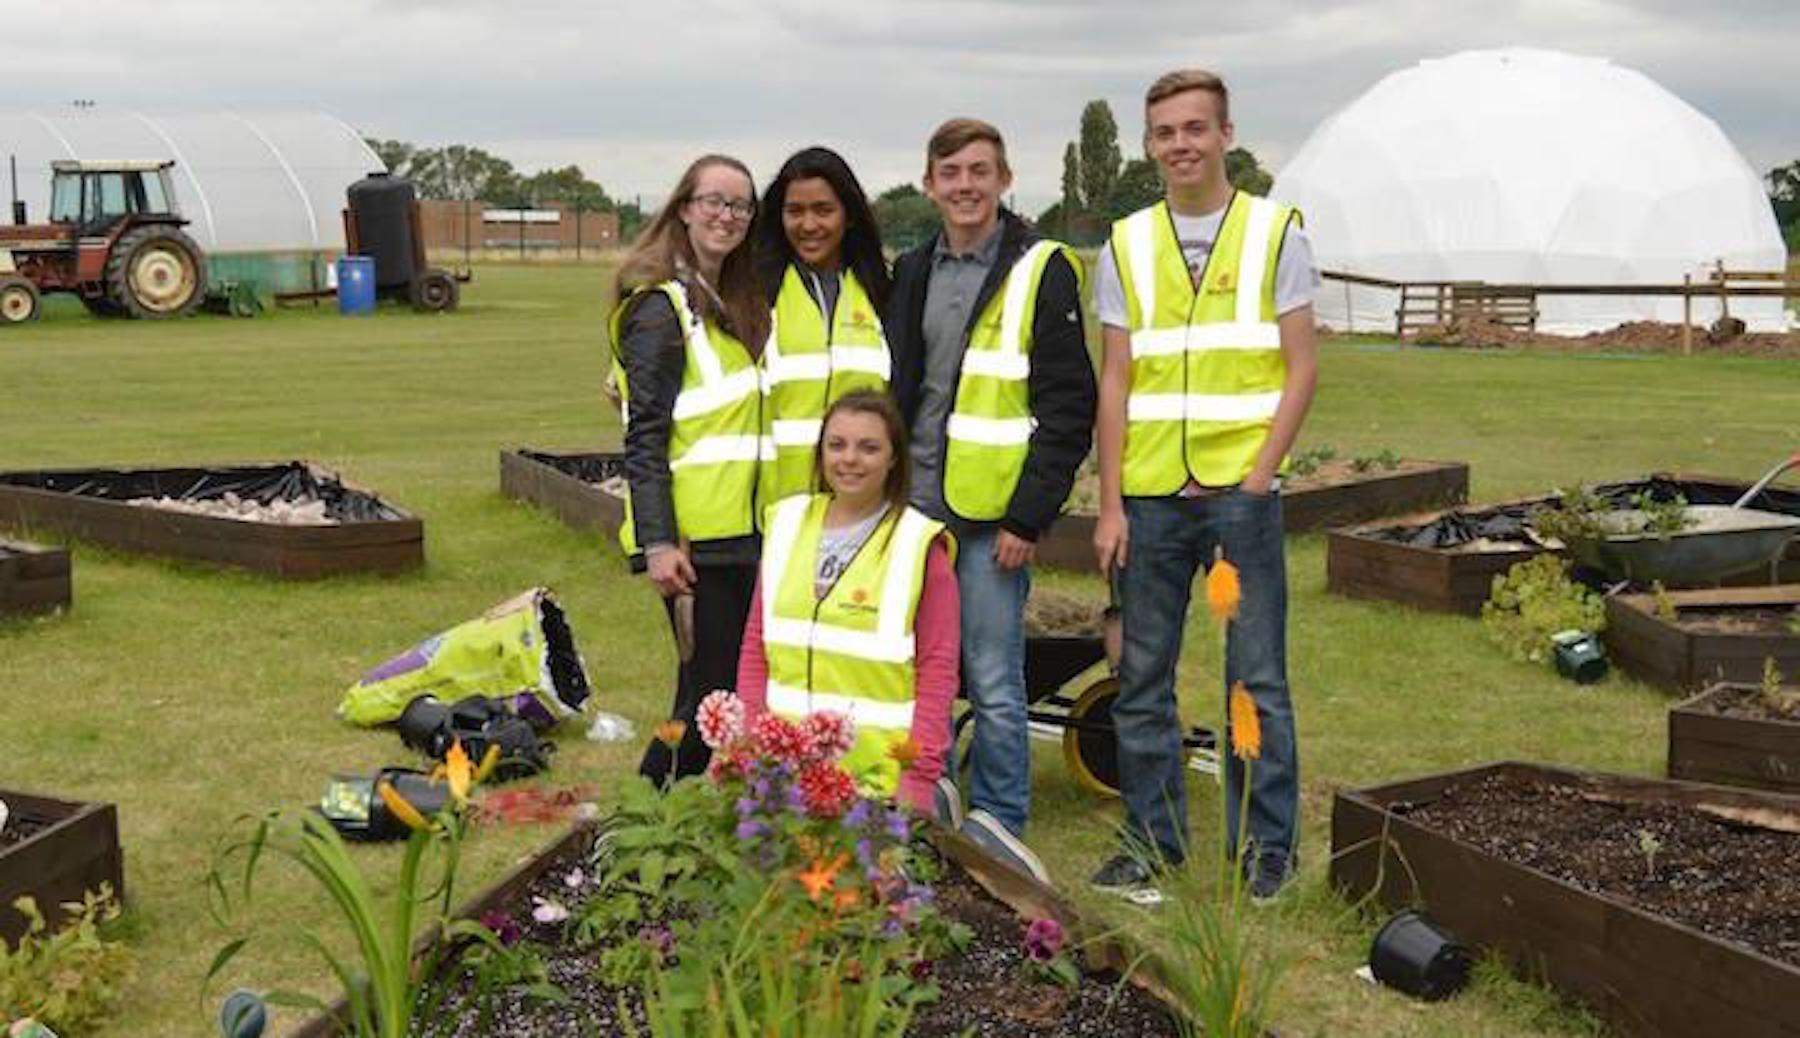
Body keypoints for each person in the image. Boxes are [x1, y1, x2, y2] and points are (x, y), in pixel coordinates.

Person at [1089, 69, 1320, 903]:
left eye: (1195, 128)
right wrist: (1109, 503)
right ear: (1149, 144)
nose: (1180, 145)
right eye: (1164, 132)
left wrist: (1258, 481)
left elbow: (1301, 368)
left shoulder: (1274, 232)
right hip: (1150, 498)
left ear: (1226, 134)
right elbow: (1114, 379)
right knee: (1143, 679)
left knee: (1253, 679)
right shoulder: (1124, 243)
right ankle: (1153, 845)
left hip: (1238, 497)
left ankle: (1266, 850)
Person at [887, 117, 1096, 879]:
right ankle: (927, 796)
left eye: (980, 171)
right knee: (918, 666)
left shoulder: (1042, 268)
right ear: (930, 185)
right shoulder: (911, 270)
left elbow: (1069, 406)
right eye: (951, 173)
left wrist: (1028, 516)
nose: (966, 185)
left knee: (996, 675)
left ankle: (1001, 818)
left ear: (1005, 179)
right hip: (915, 510)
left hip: (992, 521)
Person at [608, 154, 770, 787]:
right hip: (695, 544)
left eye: (740, 205)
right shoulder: (660, 309)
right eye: (714, 201)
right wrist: (657, 542)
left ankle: (660, 830)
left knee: (713, 696)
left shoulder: (731, 303)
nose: (727, 216)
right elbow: (643, 436)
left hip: (742, 535)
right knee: (711, 706)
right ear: (684, 207)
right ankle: (633, 827)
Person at [735, 390, 958, 813]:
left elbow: (938, 673)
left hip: (874, 784)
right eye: (836, 445)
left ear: (894, 458)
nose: (849, 459)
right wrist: (750, 738)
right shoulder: (786, 525)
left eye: (868, 447)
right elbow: (755, 646)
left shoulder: (919, 545)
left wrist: (919, 778)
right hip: (782, 776)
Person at [753, 147, 893, 502]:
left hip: (863, 510)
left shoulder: (884, 294)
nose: (809, 225)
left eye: (824, 210)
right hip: (778, 511)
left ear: (849, 216)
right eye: (795, 211)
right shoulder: (753, 293)